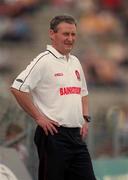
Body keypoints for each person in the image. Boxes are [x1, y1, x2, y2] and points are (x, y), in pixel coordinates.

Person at [10, 15, 96, 180]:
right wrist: (39, 118)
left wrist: (85, 117)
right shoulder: (43, 61)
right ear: (52, 34)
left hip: (76, 137)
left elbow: (83, 92)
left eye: (73, 34)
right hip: (53, 135)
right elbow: (17, 88)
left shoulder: (75, 61)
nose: (70, 39)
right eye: (65, 34)